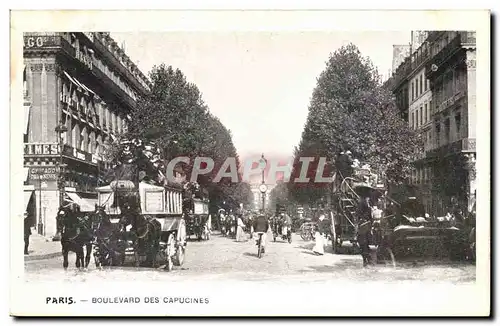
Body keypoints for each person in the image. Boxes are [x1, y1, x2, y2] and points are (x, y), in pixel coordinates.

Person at [356, 196, 373, 267]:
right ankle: (366, 260)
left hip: (363, 227)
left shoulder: (363, 206)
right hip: (365, 226)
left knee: (363, 245)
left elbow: (358, 215)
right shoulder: (368, 207)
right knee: (364, 245)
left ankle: (366, 260)